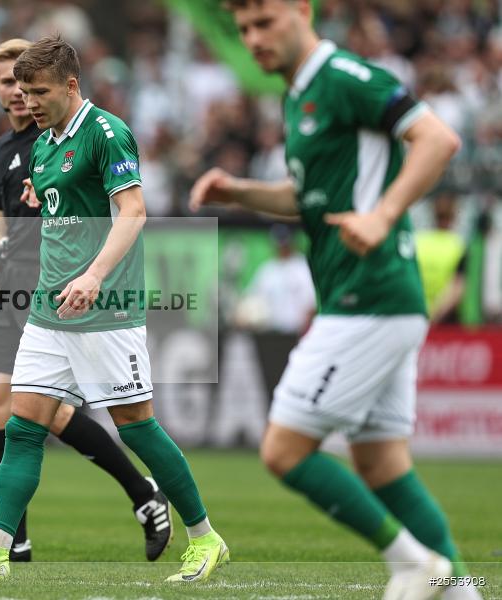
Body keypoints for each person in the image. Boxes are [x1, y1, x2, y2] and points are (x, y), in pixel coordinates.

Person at [189, 2, 479, 599]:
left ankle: (412, 563)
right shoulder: (299, 96)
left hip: (366, 297)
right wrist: (240, 191)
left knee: (283, 450)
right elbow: (308, 199)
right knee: (380, 464)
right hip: (376, 301)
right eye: (244, 29)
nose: (253, 39)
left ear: (302, 10)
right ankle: (462, 593)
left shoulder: (344, 78)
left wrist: (384, 214)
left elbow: (437, 138)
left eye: (265, 22)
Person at [0, 34, 229, 583]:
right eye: (21, 90)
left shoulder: (107, 133)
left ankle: (205, 538)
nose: (29, 101)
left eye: (39, 90)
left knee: (135, 428)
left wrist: (93, 275)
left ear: (71, 84)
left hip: (105, 308)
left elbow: (133, 213)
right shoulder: (42, 144)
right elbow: (62, 213)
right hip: (49, 307)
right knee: (22, 427)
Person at [0, 39, 173, 563]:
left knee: (39, 413)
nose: (19, 95)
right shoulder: (4, 151)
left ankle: (141, 493)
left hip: (56, 283)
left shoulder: (63, 136)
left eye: (26, 85)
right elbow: (2, 224)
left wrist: (94, 273)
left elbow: (120, 208)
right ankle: (16, 537)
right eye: (9, 84)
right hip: (12, 285)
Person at [415, 192, 466, 324]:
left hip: (418, 312)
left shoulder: (418, 240)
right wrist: (436, 314)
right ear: (454, 216)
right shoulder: (458, 245)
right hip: (446, 320)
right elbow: (457, 289)